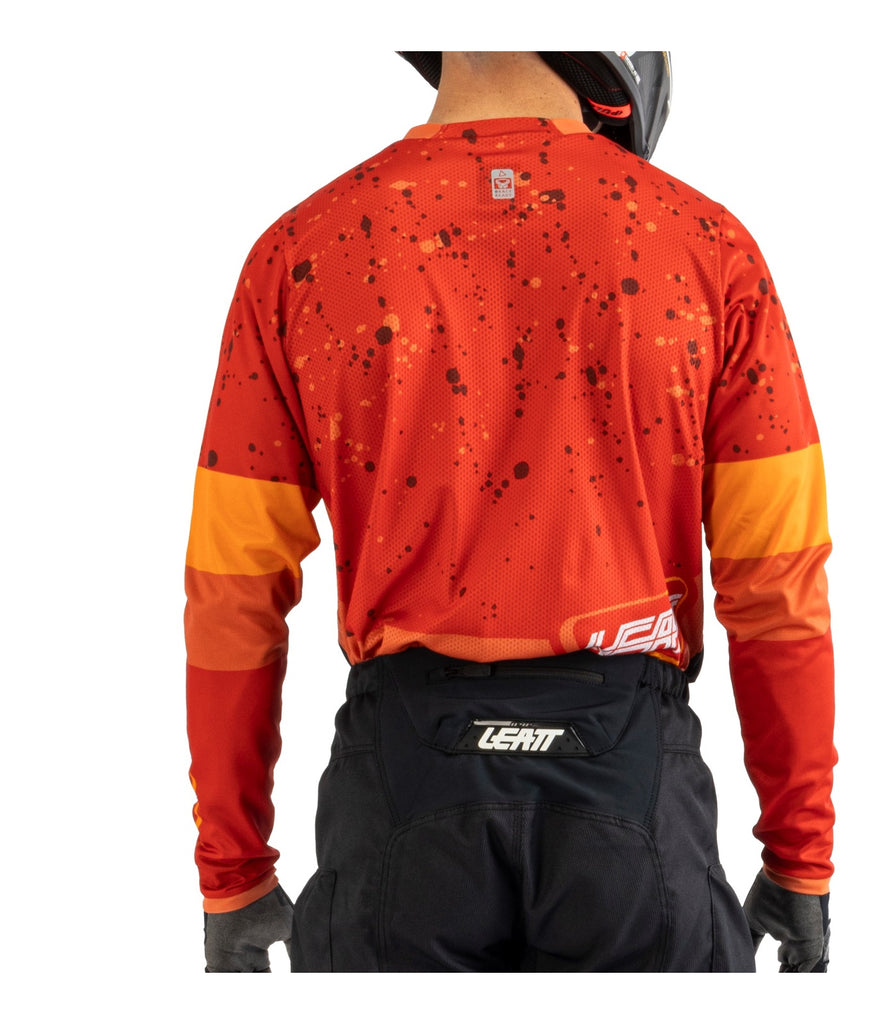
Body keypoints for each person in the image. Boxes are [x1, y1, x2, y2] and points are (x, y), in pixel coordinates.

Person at [186, 50, 836, 973]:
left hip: (398, 787)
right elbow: (778, 584)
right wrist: (800, 857)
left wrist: (233, 872)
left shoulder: (301, 252)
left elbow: (232, 589)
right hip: (633, 785)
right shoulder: (706, 247)